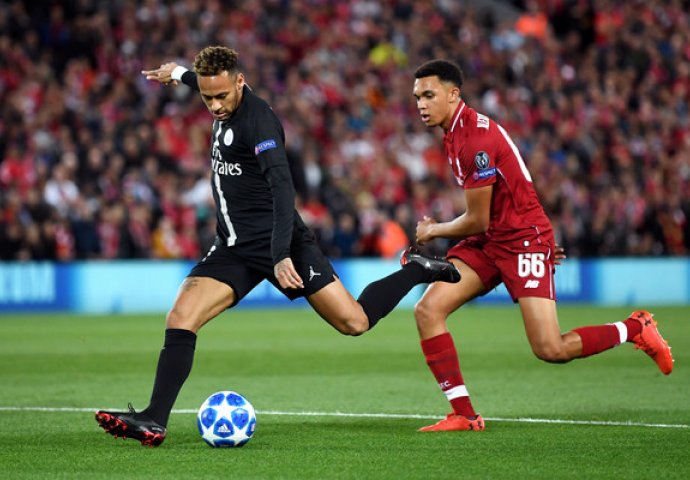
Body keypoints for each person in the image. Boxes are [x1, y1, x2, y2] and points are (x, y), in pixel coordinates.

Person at [94, 46, 460, 447]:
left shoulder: (260, 122)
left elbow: (283, 189)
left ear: (240, 82)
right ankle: (154, 420)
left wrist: (282, 253)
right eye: (207, 97)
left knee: (353, 322)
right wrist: (179, 73)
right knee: (181, 317)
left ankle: (417, 269)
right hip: (233, 246)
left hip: (280, 241)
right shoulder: (218, 93)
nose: (215, 106)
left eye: (221, 96)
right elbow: (201, 82)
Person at [407, 59, 674, 432]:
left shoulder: (475, 140)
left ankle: (634, 328)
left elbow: (477, 219)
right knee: (428, 310)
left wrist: (433, 230)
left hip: (520, 240)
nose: (421, 104)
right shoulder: (453, 132)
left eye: (429, 95)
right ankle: (464, 415)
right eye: (417, 97)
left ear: (453, 95)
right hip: (491, 240)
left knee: (551, 349)